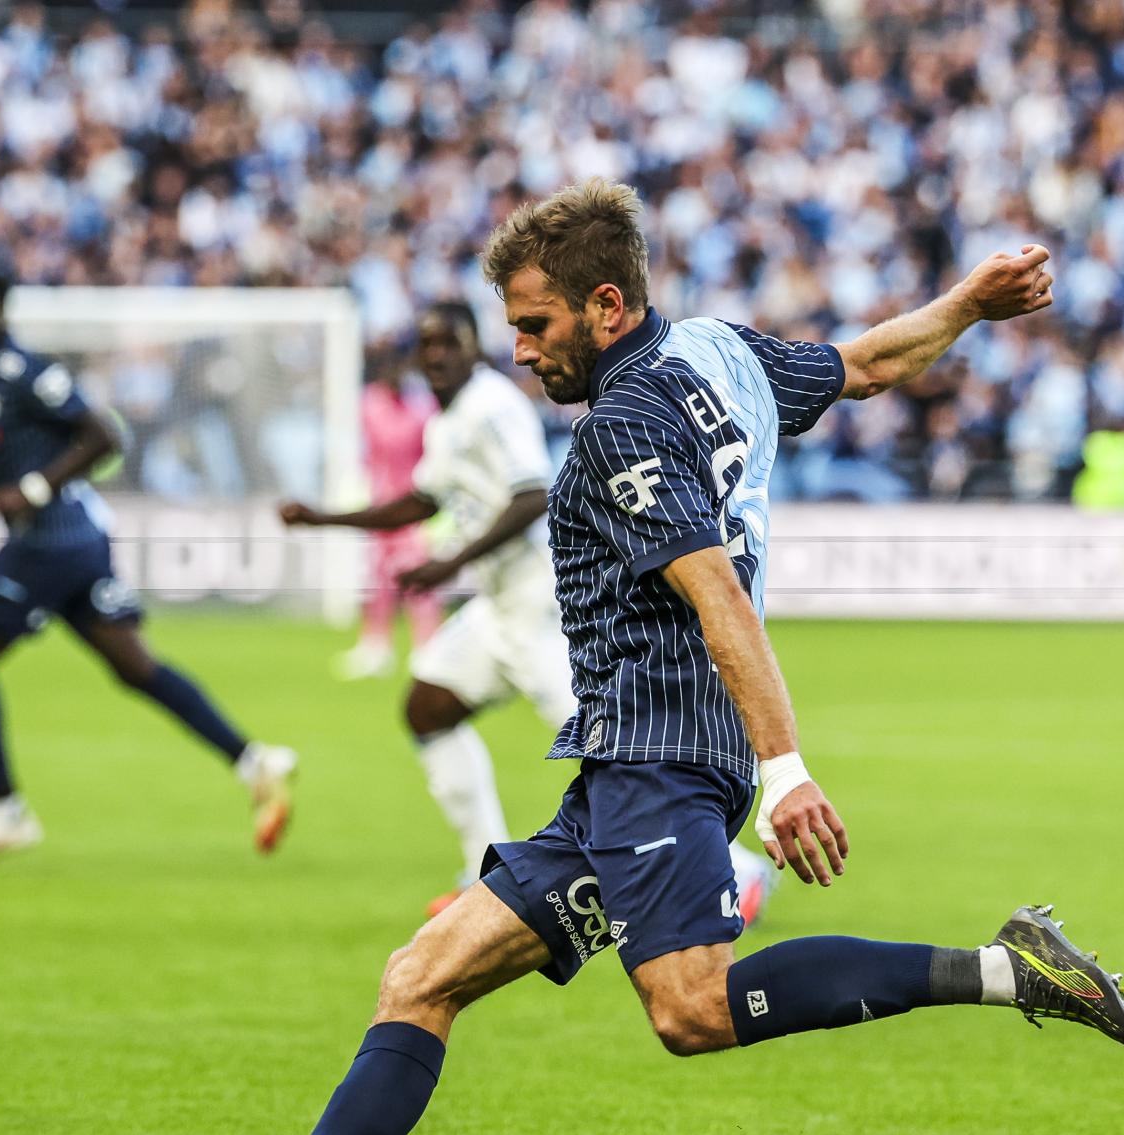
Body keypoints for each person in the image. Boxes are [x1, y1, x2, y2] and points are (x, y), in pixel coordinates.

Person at [257, 181, 1124, 1135]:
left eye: (534, 325)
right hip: (620, 770)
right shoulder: (720, 356)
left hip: (659, 753)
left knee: (690, 1007)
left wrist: (786, 774)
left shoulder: (624, 423)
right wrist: (963, 302)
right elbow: (862, 367)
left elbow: (714, 591)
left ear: (607, 305)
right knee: (420, 975)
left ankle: (1003, 969)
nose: (520, 351)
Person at [282, 303, 778, 914]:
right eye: (426, 343)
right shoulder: (449, 420)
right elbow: (421, 500)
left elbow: (530, 495)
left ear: (474, 347)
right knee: (428, 707)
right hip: (500, 611)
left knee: (623, 747)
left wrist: (451, 561)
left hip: (544, 606)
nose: (435, 354)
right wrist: (322, 518)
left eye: (449, 342)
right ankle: (479, 874)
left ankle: (741, 870)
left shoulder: (494, 407)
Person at [0, 260, 297, 870]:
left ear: (3, 309)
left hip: (54, 540)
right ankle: (250, 759)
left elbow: (104, 436)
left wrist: (36, 489)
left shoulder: (25, 372)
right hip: (69, 542)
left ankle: (6, 812)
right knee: (134, 665)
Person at [334, 340, 440, 681]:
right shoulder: (369, 404)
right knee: (376, 577)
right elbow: (361, 450)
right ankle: (375, 645)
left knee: (417, 577)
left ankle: (427, 647)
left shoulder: (422, 407)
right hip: (379, 503)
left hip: (413, 505)